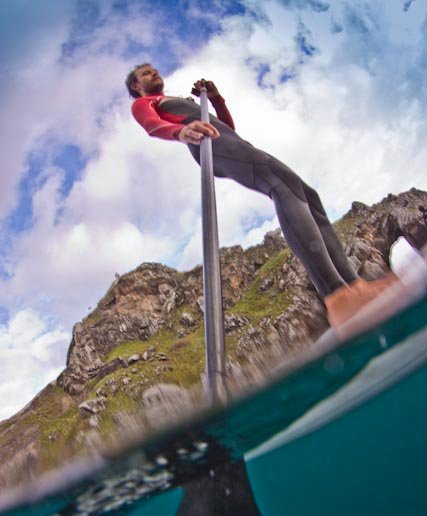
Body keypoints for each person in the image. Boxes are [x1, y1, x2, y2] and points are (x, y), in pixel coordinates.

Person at [125, 63, 397, 329]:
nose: (154, 73)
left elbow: (226, 126)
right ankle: (338, 296)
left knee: (307, 195)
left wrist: (217, 100)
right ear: (137, 86)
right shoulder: (145, 103)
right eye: (145, 73)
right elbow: (151, 125)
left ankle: (356, 287)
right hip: (210, 147)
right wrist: (180, 131)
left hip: (229, 141)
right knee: (279, 185)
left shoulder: (180, 99)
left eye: (154, 69)